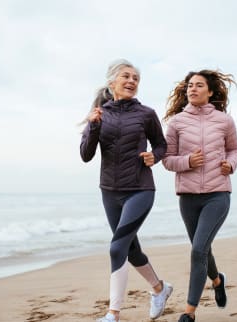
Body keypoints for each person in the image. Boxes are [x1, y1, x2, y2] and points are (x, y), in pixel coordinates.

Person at [80, 59, 173, 322]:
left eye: (135, 78)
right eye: (126, 76)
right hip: (109, 191)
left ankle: (113, 314)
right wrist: (93, 126)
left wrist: (153, 156)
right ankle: (160, 288)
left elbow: (161, 145)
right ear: (113, 82)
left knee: (116, 247)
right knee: (130, 250)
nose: (131, 81)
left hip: (140, 188)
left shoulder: (146, 114)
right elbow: (86, 155)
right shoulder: (99, 114)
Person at [162, 69, 237, 322]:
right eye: (189, 86)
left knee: (197, 250)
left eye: (198, 85)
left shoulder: (224, 120)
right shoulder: (176, 123)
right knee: (202, 249)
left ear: (210, 91)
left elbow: (234, 149)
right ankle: (217, 280)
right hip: (188, 197)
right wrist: (187, 161)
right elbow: (167, 160)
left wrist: (231, 164)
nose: (192, 89)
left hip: (218, 194)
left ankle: (189, 314)